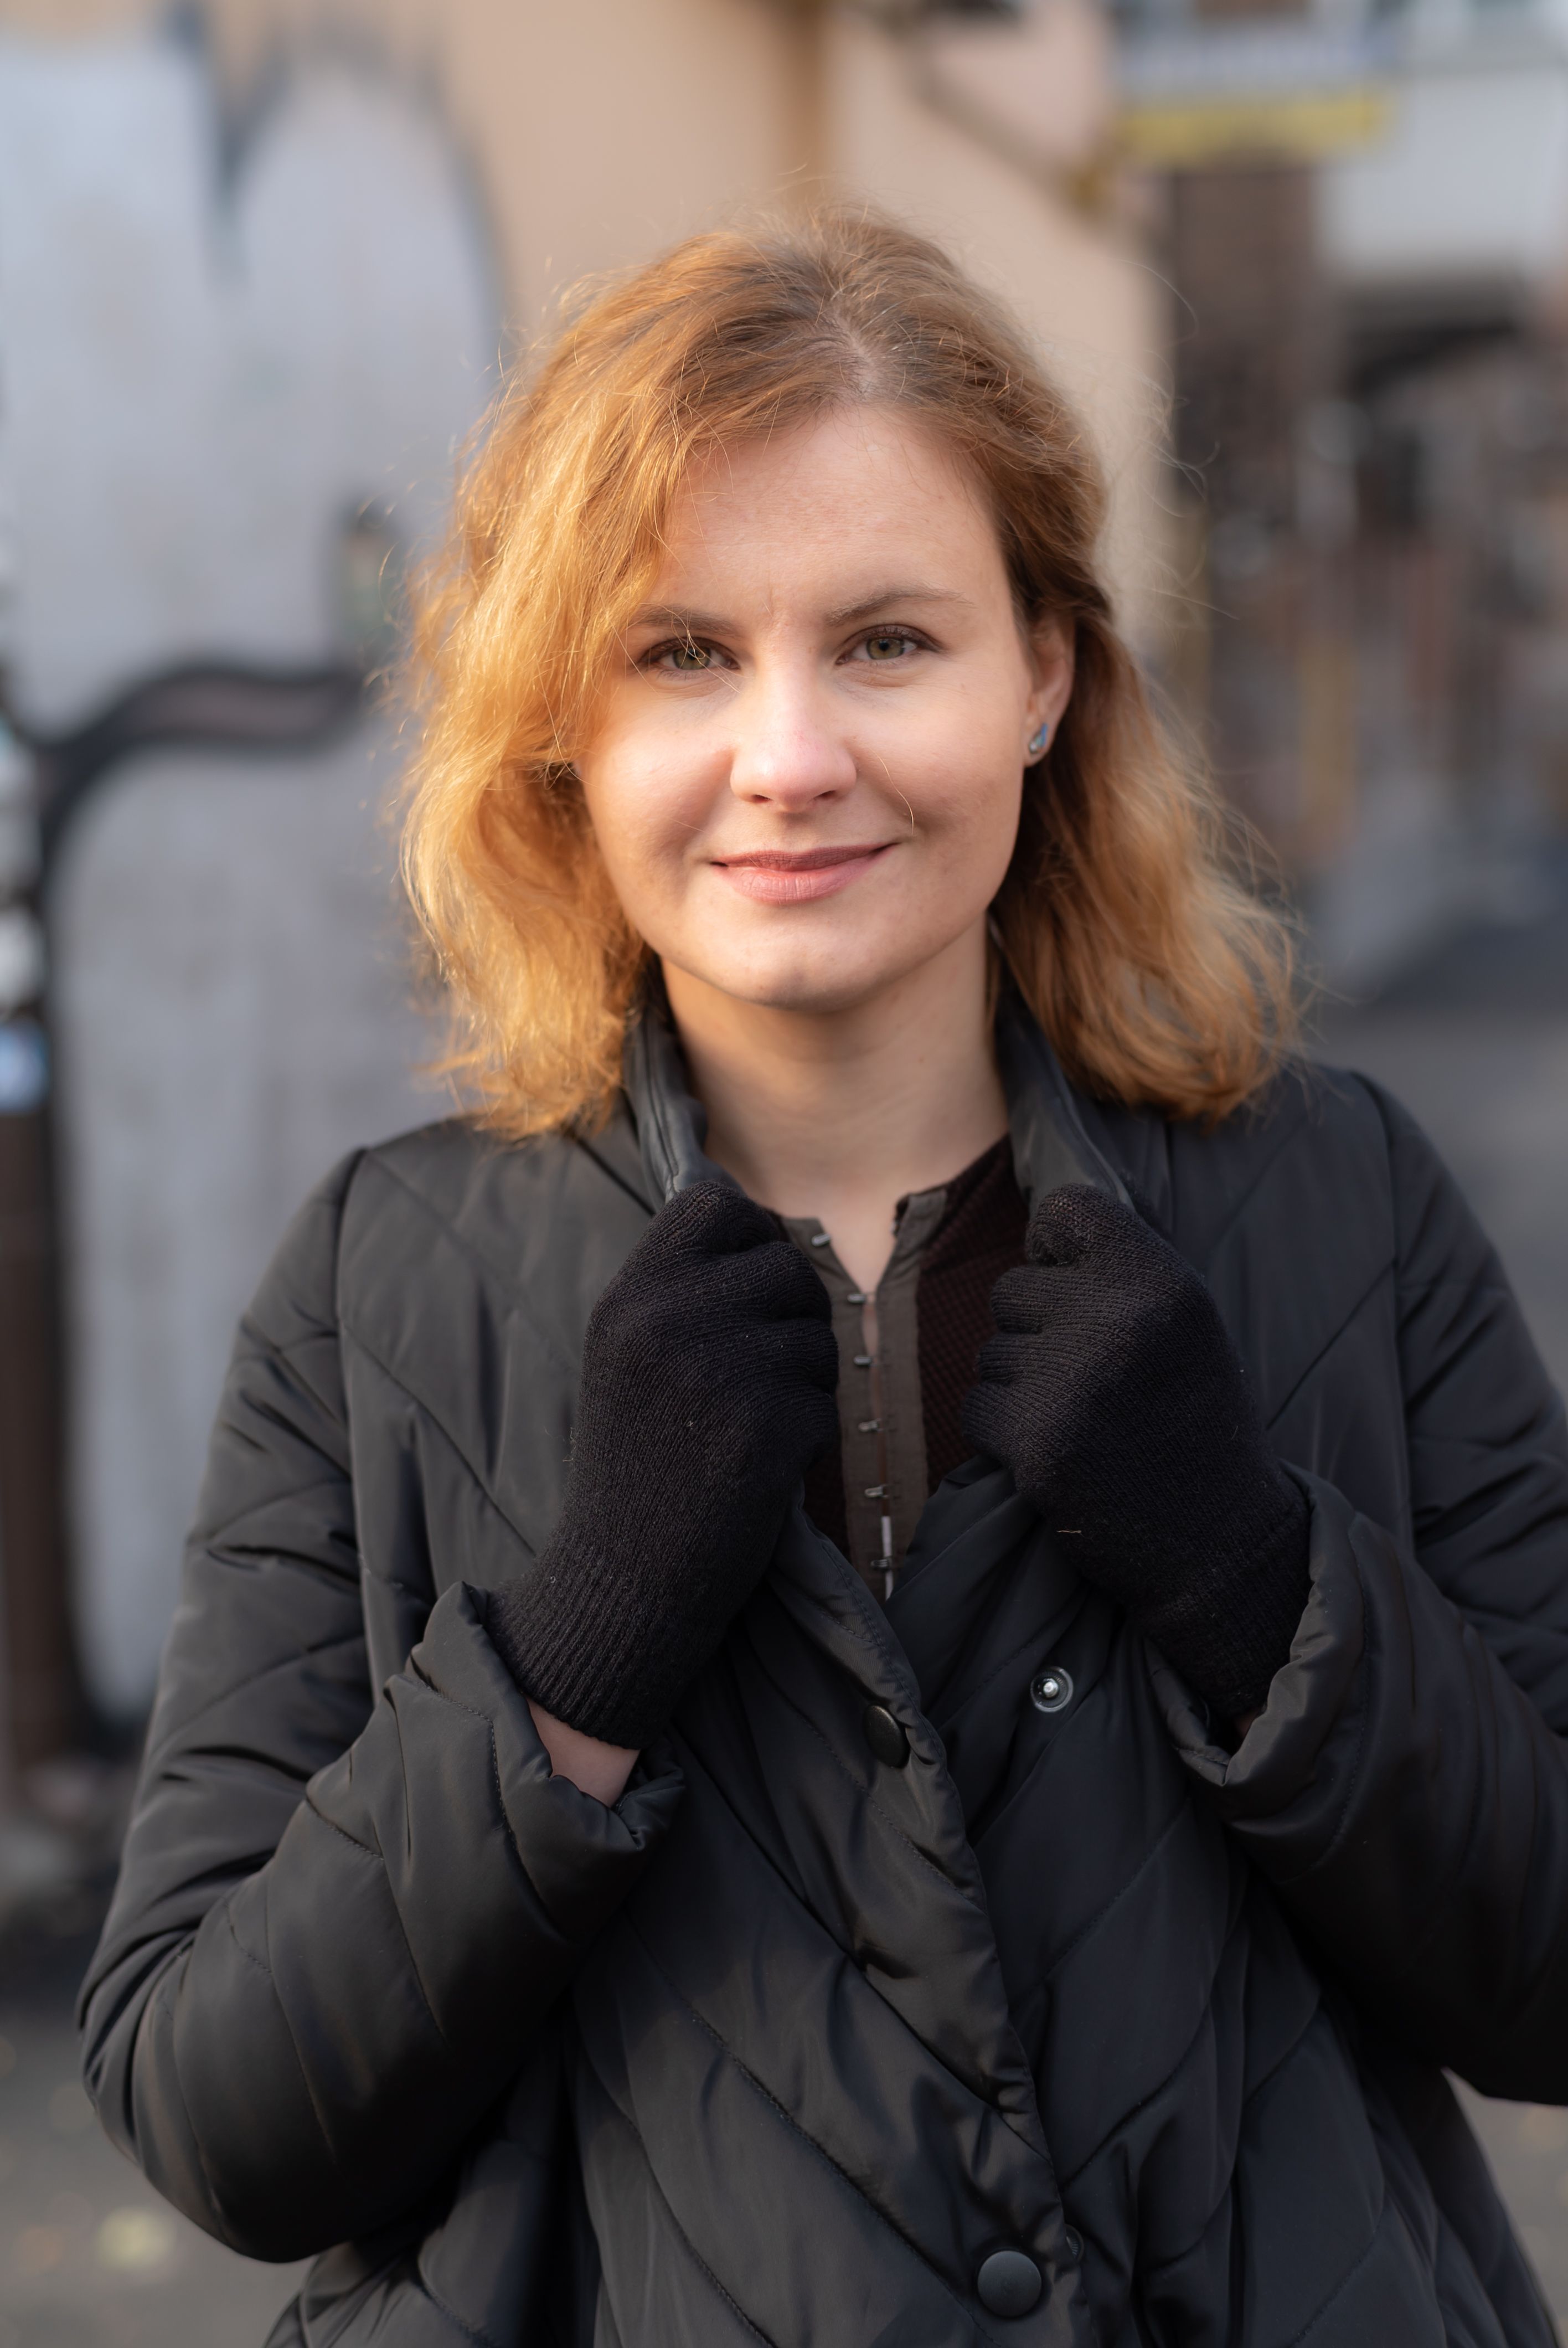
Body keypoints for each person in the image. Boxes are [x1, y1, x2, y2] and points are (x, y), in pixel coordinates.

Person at [81, 211, 1568, 2348]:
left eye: (885, 641)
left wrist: (1254, 1576)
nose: (789, 757)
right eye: (682, 654)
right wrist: (579, 1654)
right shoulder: (381, 1287)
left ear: (1041, 676)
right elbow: (221, 2117)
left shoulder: (1335, 1204)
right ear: (562, 720)